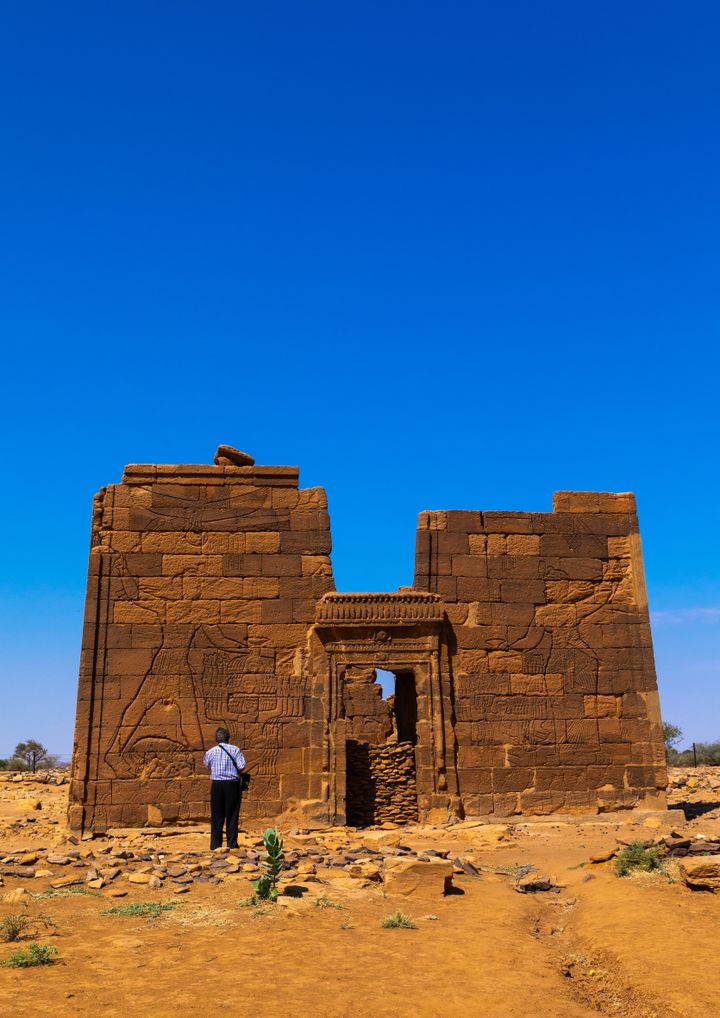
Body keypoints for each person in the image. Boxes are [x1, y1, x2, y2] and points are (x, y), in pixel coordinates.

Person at [203, 727, 246, 850]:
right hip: (231, 784)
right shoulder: (235, 750)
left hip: (217, 784)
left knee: (217, 815)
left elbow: (207, 765)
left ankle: (216, 845)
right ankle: (232, 844)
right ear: (228, 738)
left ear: (216, 739)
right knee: (232, 815)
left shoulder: (211, 752)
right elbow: (242, 766)